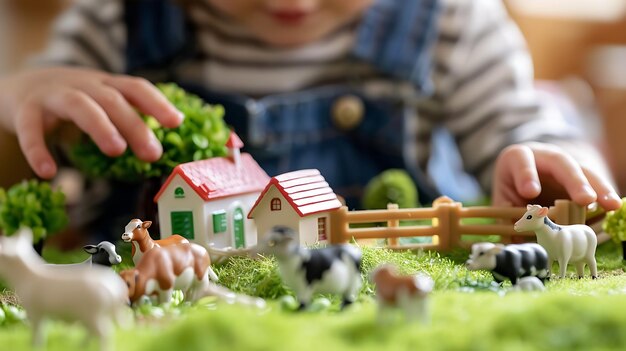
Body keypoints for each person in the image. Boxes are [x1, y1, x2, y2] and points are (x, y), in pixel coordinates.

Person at [0, 0, 621, 213]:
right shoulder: (120, 18)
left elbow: (525, 127)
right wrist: (24, 94)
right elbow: (34, 108)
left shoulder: (451, 21)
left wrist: (556, 159)